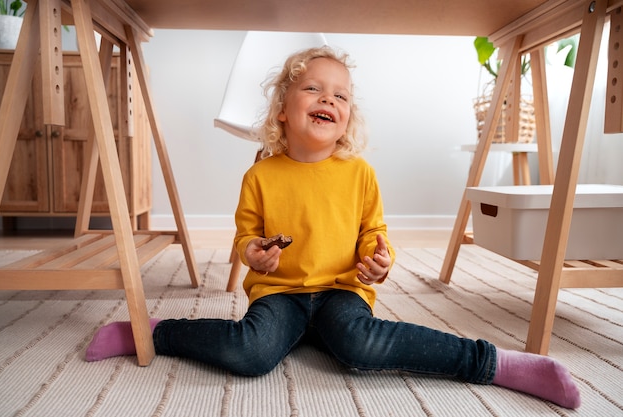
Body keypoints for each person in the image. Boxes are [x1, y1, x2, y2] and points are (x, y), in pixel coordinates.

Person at [85, 46, 581, 409]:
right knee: (252, 351)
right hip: (278, 294)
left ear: (346, 120)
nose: (329, 98)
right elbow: (244, 237)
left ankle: (493, 363)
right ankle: (151, 335)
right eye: (314, 88)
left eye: (341, 95)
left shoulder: (359, 173)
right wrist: (253, 254)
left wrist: (379, 261)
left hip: (343, 291)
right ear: (283, 110)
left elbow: (374, 233)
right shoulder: (260, 175)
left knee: (360, 344)